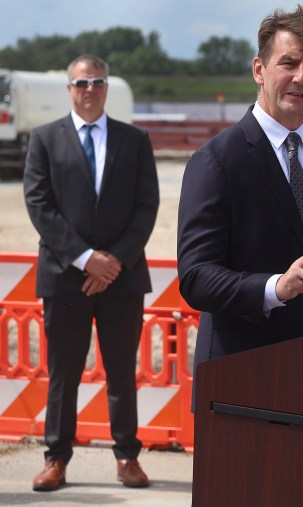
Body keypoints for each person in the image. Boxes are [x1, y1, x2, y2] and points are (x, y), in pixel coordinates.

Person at [177, 5, 303, 374]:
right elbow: (197, 278)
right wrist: (277, 287)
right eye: (288, 63)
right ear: (259, 69)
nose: (301, 78)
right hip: (241, 380)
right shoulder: (216, 161)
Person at [23, 54, 159, 491]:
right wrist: (85, 258)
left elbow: (146, 206)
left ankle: (127, 458)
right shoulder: (45, 139)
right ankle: (56, 460)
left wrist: (114, 260)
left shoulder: (135, 140)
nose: (90, 89)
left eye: (98, 82)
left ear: (106, 87)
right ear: (69, 89)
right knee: (64, 373)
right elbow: (39, 204)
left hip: (122, 278)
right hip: (65, 278)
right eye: (82, 83)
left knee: (122, 371)